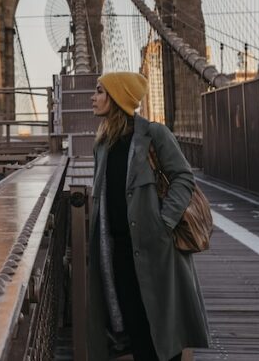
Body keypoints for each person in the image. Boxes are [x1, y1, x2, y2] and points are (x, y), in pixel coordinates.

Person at [86, 72, 209, 361]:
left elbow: (183, 177)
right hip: (118, 251)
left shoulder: (153, 134)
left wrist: (164, 223)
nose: (93, 97)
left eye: (100, 91)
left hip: (156, 248)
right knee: (136, 329)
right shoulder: (102, 144)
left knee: (165, 330)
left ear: (118, 98)